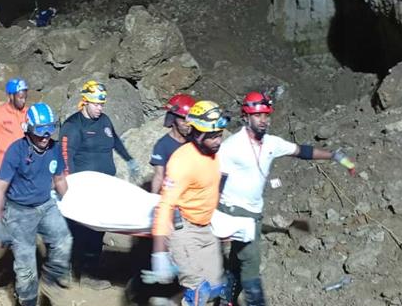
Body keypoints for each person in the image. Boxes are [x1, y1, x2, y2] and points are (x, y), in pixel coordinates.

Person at [217, 92, 357, 306]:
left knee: (238, 260)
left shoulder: (271, 143)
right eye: (257, 115)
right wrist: (216, 217)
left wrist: (333, 155)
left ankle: (226, 299)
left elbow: (302, 151)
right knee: (251, 263)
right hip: (235, 212)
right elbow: (217, 183)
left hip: (254, 213)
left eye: (266, 115)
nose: (263, 120)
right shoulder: (231, 146)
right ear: (246, 117)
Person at [146, 100, 228, 306]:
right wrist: (159, 252)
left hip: (205, 229)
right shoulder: (182, 161)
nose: (218, 141)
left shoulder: (213, 154)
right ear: (197, 134)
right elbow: (165, 205)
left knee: (215, 289)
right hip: (184, 231)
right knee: (198, 292)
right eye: (212, 136)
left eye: (219, 134)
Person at [0, 102, 72, 306]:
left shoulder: (54, 149)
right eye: (40, 131)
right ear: (28, 129)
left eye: (49, 130)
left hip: (46, 205)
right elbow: (0, 187)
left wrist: (71, 204)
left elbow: (60, 179)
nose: (45, 136)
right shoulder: (16, 151)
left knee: (64, 240)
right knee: (26, 266)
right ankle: (28, 300)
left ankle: (50, 280)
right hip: (20, 211)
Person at [60, 80, 139, 289]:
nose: (100, 108)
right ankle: (71, 269)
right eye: (96, 104)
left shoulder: (104, 121)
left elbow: (115, 141)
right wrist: (70, 187)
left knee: (98, 230)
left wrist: (129, 159)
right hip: (83, 189)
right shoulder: (72, 126)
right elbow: (65, 157)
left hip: (104, 187)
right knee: (79, 231)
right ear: (85, 102)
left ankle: (89, 273)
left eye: (102, 104)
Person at [149, 93, 196, 194]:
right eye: (183, 120)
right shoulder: (162, 145)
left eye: (190, 121)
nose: (188, 125)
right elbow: (159, 176)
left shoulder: (194, 141)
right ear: (173, 119)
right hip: (172, 194)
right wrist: (152, 198)